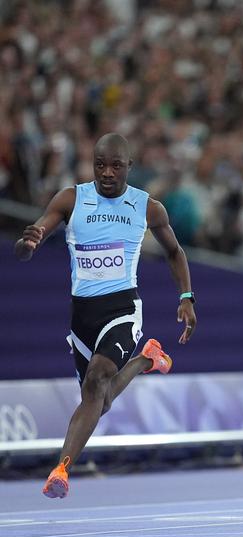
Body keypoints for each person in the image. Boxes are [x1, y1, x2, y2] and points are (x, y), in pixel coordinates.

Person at [14, 133, 196, 499]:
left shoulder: (147, 207)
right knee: (99, 399)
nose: (107, 172)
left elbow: (175, 252)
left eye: (115, 165)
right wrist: (28, 244)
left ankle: (61, 469)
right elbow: (34, 238)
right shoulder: (71, 199)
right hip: (82, 315)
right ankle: (146, 359)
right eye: (100, 165)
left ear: (129, 166)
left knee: (97, 381)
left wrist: (186, 296)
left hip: (122, 309)